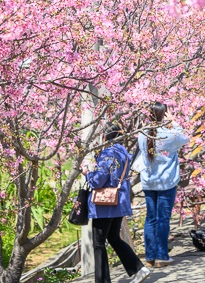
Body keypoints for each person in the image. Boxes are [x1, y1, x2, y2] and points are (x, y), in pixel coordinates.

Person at [83, 125, 151, 283]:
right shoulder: (123, 152)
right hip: (119, 202)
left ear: (105, 137)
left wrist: (88, 173)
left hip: (105, 205)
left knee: (98, 243)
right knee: (114, 237)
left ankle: (102, 280)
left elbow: (98, 181)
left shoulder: (108, 153)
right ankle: (138, 268)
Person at [136, 103, 189, 268]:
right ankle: (161, 256)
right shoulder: (170, 134)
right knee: (163, 218)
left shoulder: (142, 133)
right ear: (164, 115)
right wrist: (174, 122)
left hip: (148, 181)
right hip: (166, 181)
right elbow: (186, 137)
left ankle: (150, 257)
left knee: (150, 218)